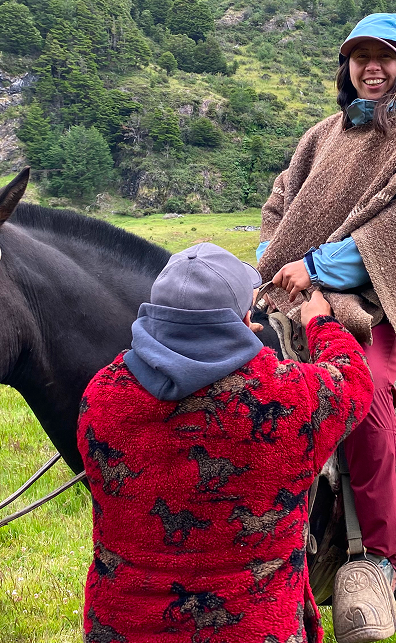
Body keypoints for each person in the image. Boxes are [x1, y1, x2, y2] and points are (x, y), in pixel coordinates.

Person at [255, 13, 396, 637]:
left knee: (359, 398)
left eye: (385, 56)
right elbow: (281, 202)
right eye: (359, 55)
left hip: (378, 300)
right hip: (292, 286)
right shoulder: (320, 135)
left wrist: (313, 265)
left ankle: (377, 559)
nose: (371, 67)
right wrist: (279, 257)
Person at [77, 242, 374, 643]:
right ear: (242, 320)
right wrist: (321, 322)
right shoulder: (289, 398)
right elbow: (353, 380)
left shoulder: (102, 396)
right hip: (255, 629)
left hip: (122, 629)